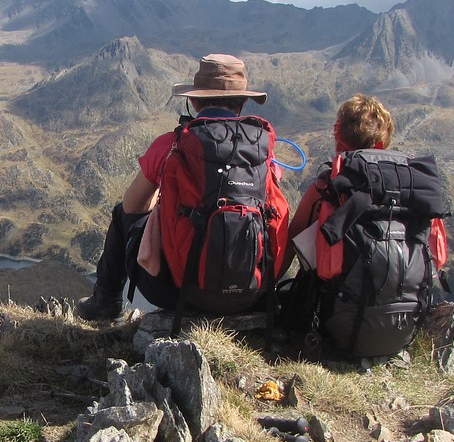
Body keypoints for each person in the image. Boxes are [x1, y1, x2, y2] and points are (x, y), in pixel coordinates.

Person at [76, 54, 270, 320]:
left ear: (194, 100)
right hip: (248, 292)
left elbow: (132, 207)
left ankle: (105, 301)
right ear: (244, 102)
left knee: (121, 214)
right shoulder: (261, 151)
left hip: (175, 292)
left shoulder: (173, 144)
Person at [284, 93, 395, 272]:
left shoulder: (326, 189)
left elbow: (288, 248)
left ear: (339, 139)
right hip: (408, 297)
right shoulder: (409, 186)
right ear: (381, 145)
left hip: (336, 297)